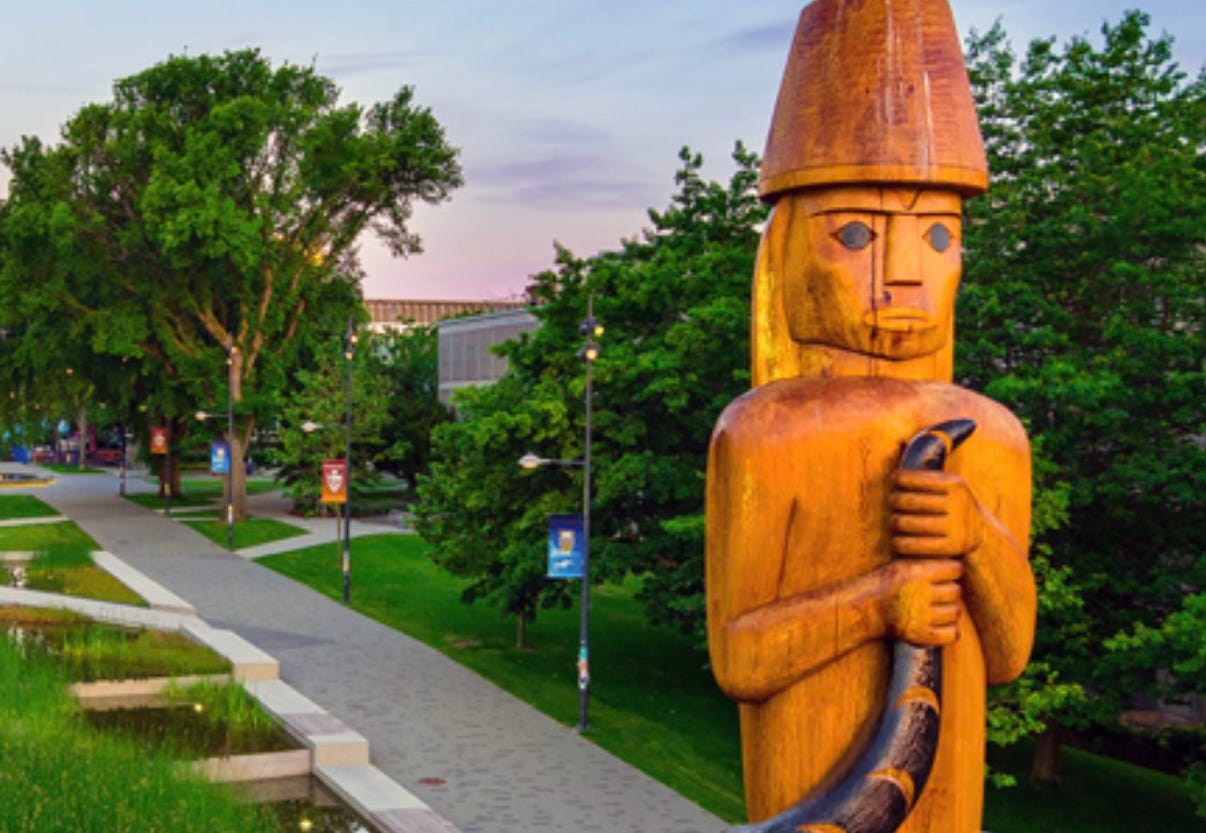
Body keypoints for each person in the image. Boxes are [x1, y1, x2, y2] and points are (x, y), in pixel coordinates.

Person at [705, 2, 1036, 831]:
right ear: (786, 248)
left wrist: (975, 537)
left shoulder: (991, 435)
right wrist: (879, 602)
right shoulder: (763, 434)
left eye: (938, 236)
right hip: (817, 786)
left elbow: (1010, 652)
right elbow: (739, 657)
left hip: (948, 794)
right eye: (855, 233)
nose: (906, 273)